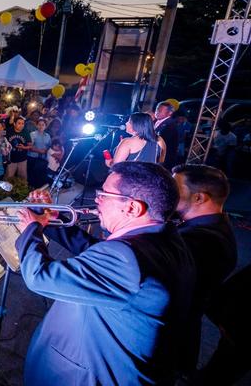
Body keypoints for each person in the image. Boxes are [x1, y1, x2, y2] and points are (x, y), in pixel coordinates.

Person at [14, 161, 195, 385]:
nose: (97, 198)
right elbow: (95, 253)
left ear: (132, 208)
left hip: (90, 375)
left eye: (105, 194)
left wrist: (30, 229)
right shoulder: (165, 237)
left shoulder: (126, 258)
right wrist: (51, 220)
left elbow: (38, 277)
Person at [171, 164, 237, 375]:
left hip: (171, 339)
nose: (168, 192)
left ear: (199, 198)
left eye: (174, 188)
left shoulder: (203, 240)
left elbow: (134, 265)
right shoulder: (208, 227)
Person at [154, 101, 179, 170]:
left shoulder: (170, 125)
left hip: (163, 160)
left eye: (160, 110)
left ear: (170, 113)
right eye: (157, 109)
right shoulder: (155, 121)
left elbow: (161, 142)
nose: (157, 112)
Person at [28, 118, 50, 187]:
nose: (41, 126)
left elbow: (49, 146)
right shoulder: (32, 134)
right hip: (32, 158)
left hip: (42, 159)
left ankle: (38, 190)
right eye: (39, 125)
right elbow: (29, 147)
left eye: (43, 125)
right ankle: (31, 190)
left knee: (40, 176)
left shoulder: (48, 136)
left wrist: (46, 150)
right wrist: (40, 151)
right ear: (37, 126)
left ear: (45, 126)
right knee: (31, 176)